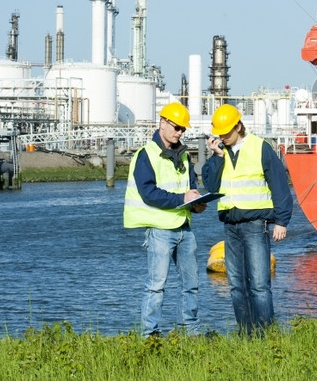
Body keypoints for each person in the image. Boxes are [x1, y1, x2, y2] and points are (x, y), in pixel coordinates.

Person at [201, 104, 292, 335]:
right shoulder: (221, 152)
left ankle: (265, 336)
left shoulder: (260, 147)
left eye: (227, 133)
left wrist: (281, 221)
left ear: (238, 126)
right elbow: (211, 186)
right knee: (237, 287)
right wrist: (217, 157)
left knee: (259, 286)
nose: (223, 137)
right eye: (220, 134)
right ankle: (246, 334)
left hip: (255, 224)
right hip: (230, 225)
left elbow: (279, 184)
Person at [123, 101, 207, 337]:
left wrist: (196, 203)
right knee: (156, 287)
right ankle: (150, 335)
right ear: (162, 123)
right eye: (176, 126)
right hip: (160, 229)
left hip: (184, 227)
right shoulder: (145, 155)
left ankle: (191, 332)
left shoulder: (183, 155)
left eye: (182, 129)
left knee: (191, 285)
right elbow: (148, 193)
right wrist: (182, 198)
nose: (179, 132)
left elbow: (190, 187)